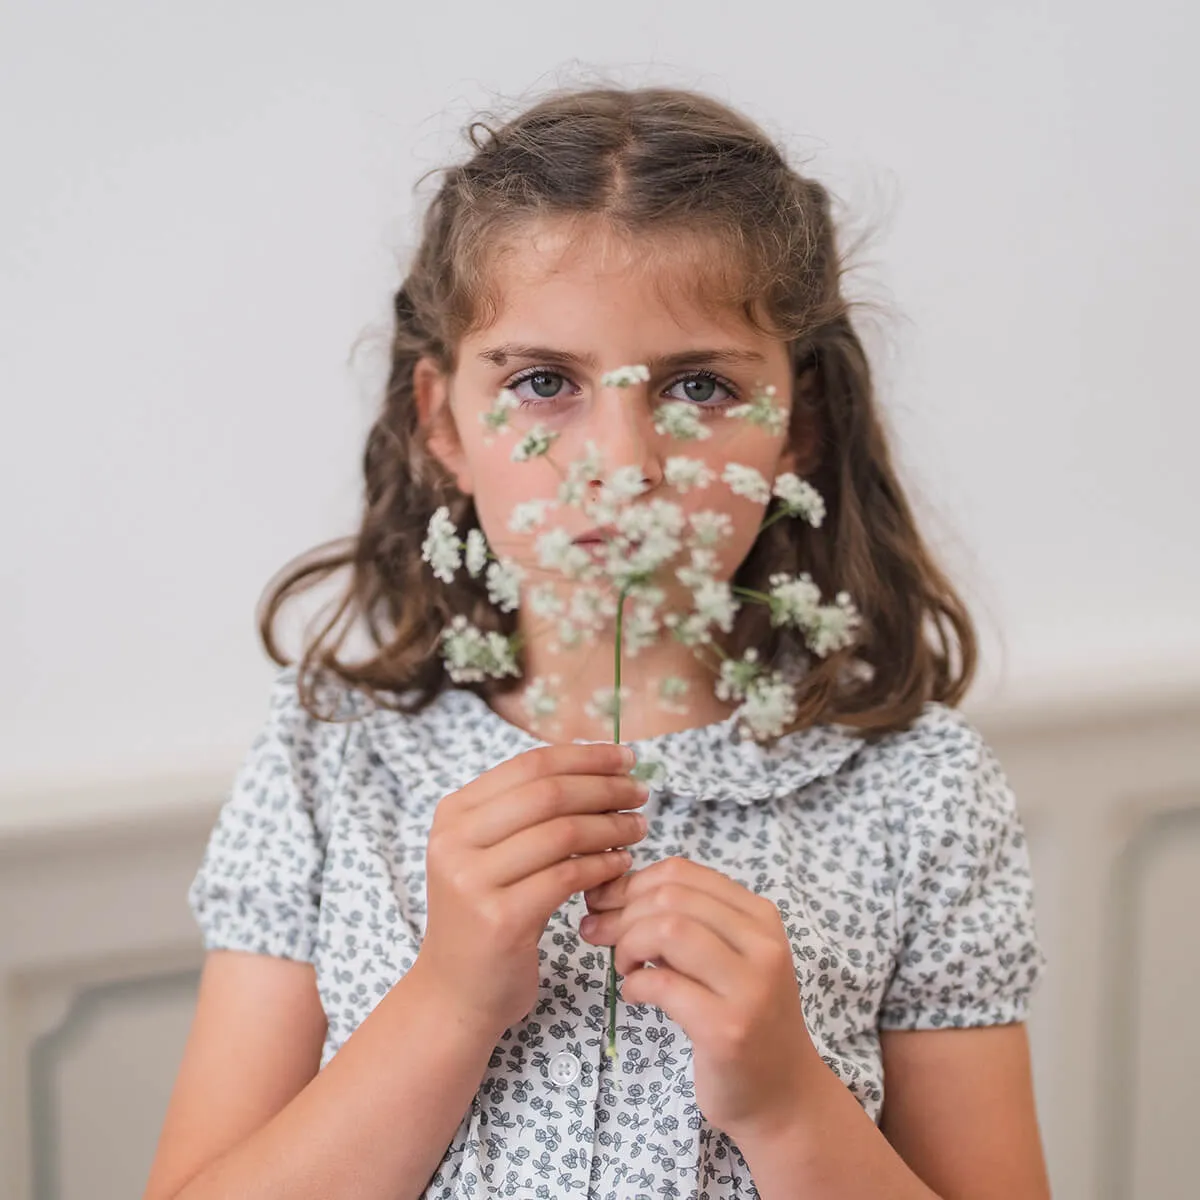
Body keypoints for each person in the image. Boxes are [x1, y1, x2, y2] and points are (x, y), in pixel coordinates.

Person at [144, 83, 1051, 1200]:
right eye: (542, 383)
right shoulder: (332, 761)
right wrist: (448, 999)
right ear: (444, 424)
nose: (624, 461)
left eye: (701, 386)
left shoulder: (919, 794)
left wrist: (782, 1096)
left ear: (798, 427)